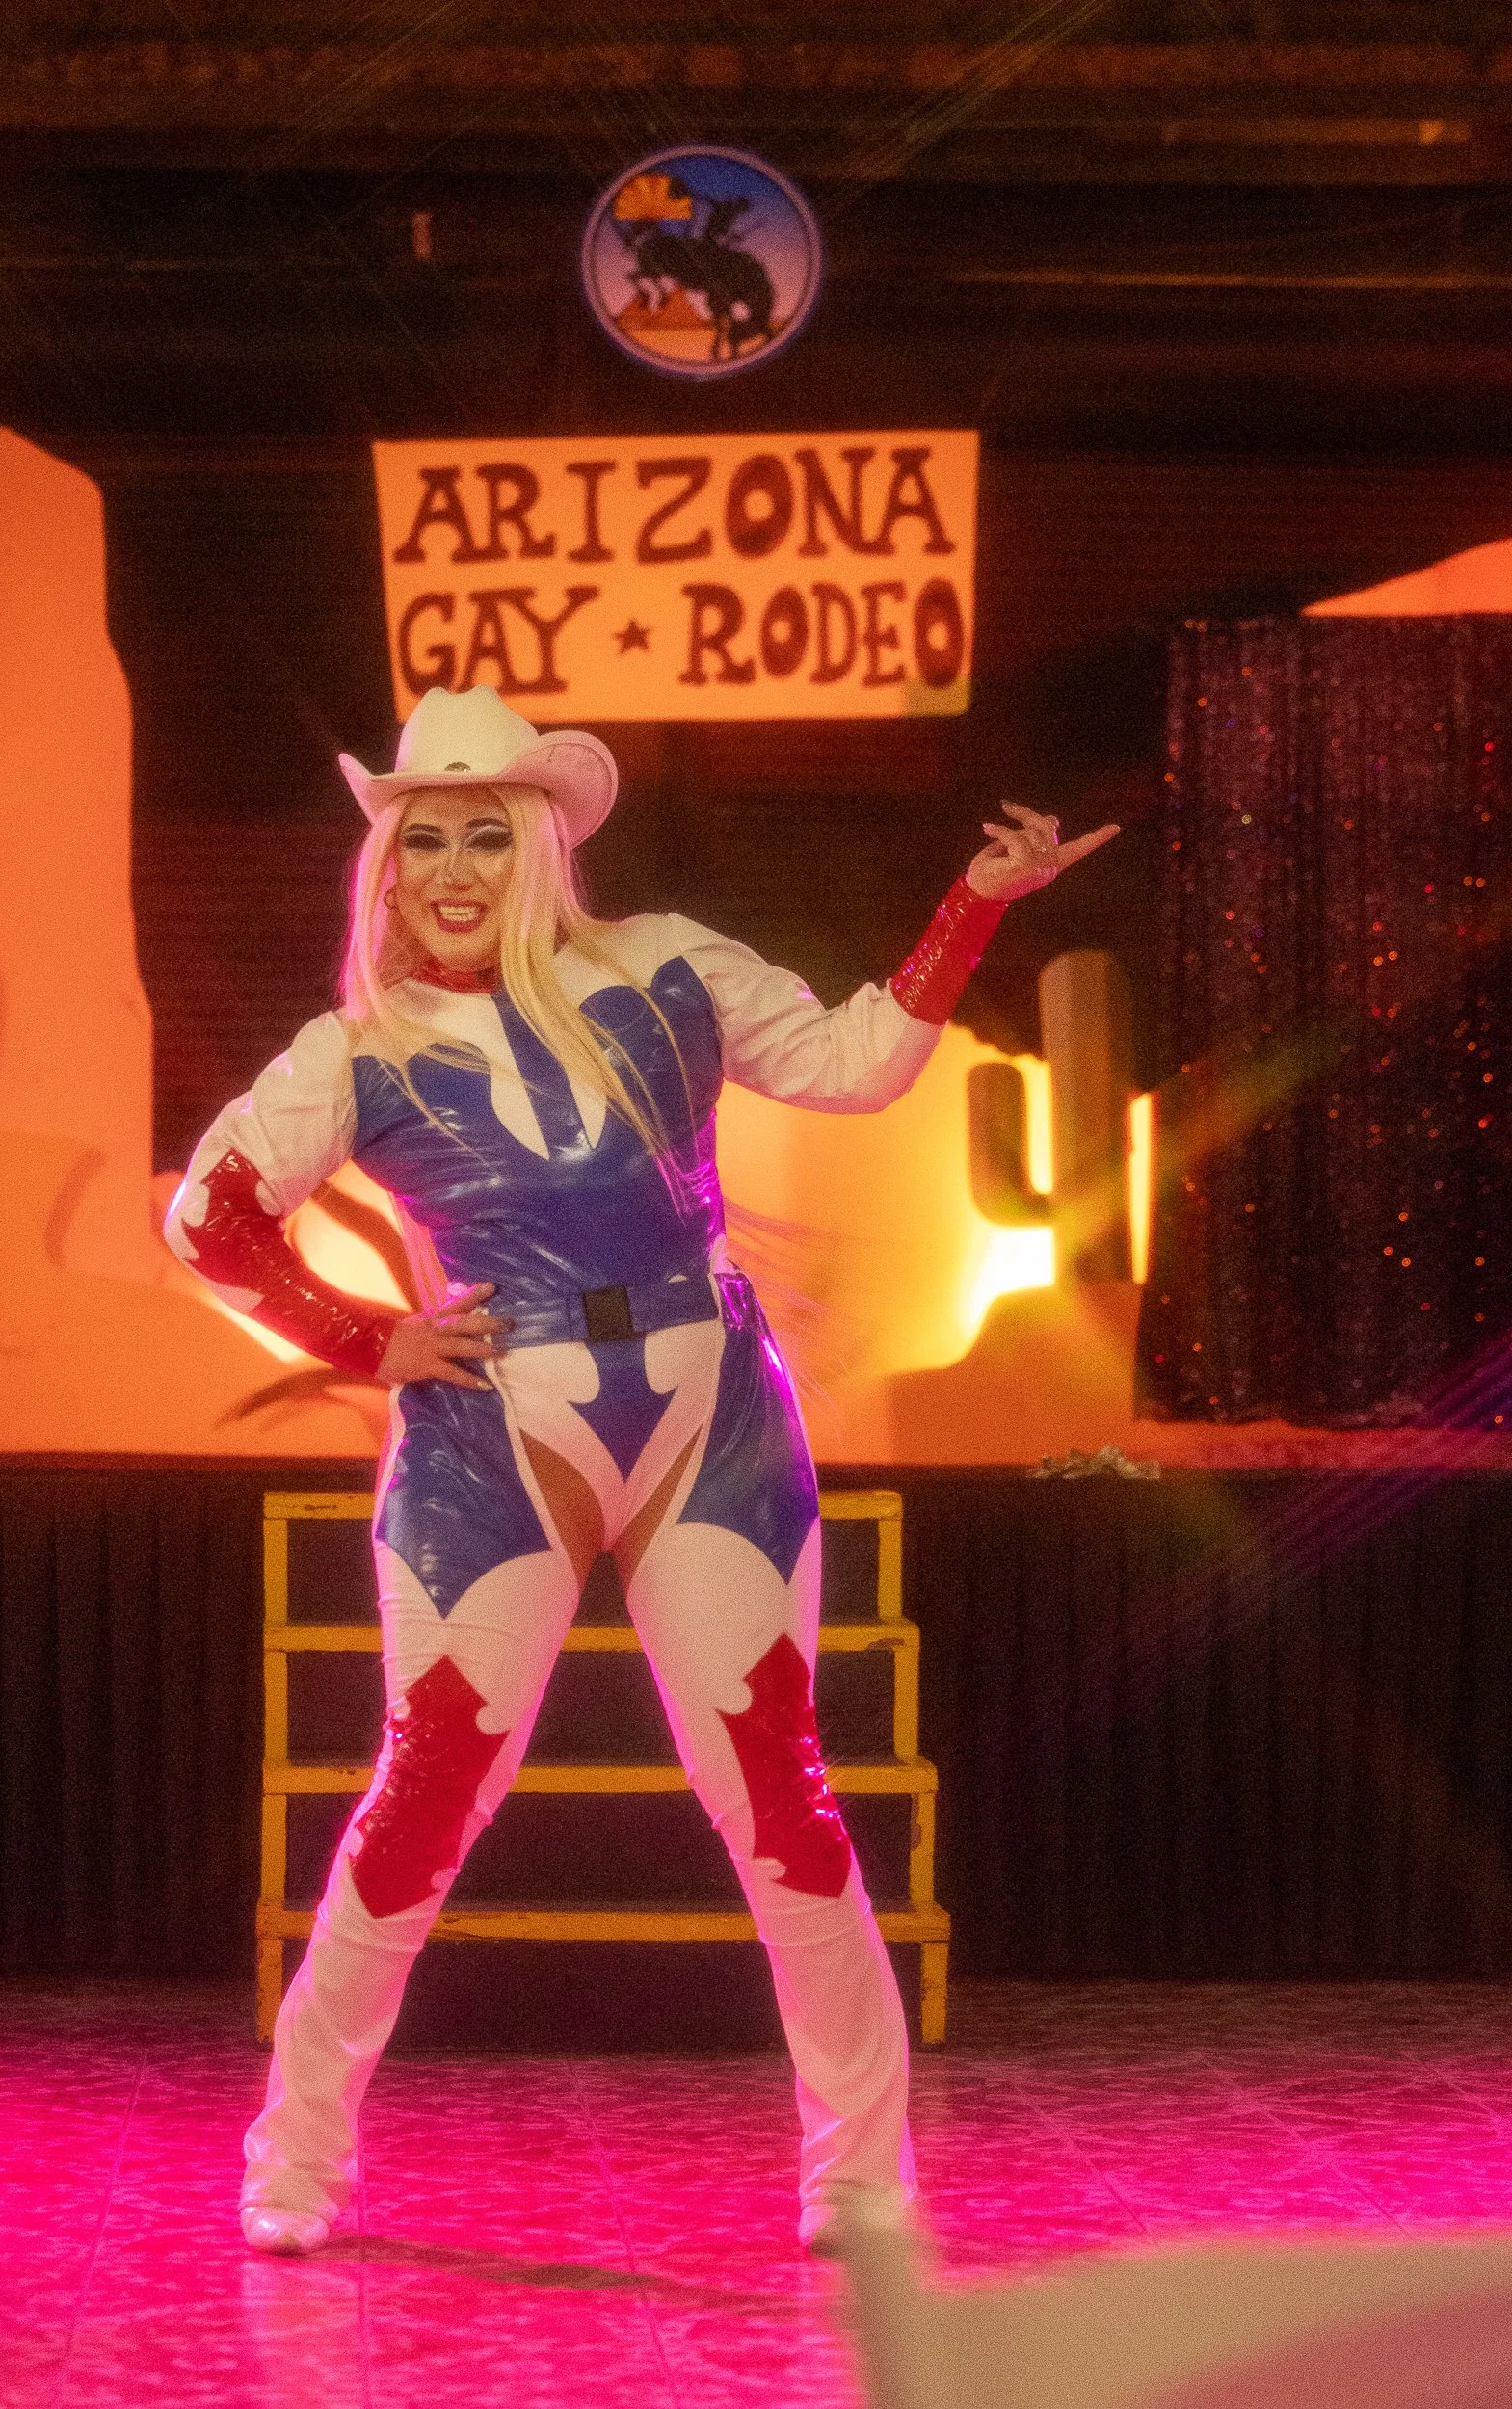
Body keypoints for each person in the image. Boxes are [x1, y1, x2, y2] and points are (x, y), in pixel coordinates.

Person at [165, 684, 1116, 2258]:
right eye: (424, 843)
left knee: (781, 1805)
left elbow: (859, 1060)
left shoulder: (670, 964)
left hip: (711, 1413)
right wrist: (364, 1337)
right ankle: (299, 2150)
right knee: (422, 1806)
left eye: (486, 834)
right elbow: (208, 1216)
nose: (454, 871)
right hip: (494, 1438)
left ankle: (861, 2174)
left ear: (542, 846)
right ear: (384, 871)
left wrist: (976, 903)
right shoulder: (359, 1048)